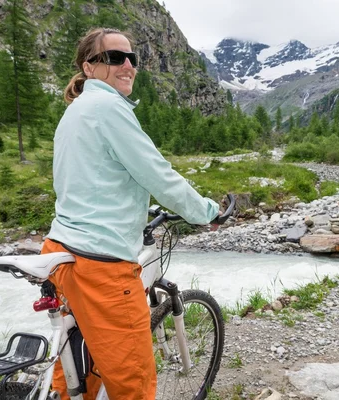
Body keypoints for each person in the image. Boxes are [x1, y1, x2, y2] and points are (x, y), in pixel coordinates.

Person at [40, 27, 220, 400]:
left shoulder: (76, 111)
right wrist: (205, 212)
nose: (127, 65)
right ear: (89, 67)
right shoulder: (109, 108)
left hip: (61, 250)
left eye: (131, 58)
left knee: (79, 369)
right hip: (100, 264)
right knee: (133, 384)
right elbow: (158, 174)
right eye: (114, 58)